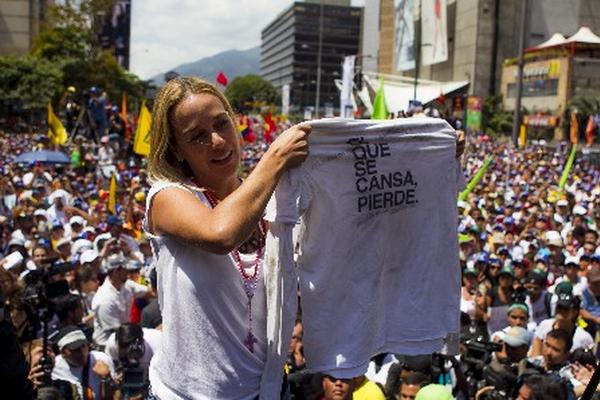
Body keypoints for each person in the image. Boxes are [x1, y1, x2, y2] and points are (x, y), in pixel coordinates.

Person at [144, 76, 311, 399]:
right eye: (198, 137)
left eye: (222, 124)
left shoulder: (271, 201)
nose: (218, 141)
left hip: (265, 391)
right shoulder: (166, 197)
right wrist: (275, 157)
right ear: (177, 150)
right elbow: (221, 234)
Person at [91, 254, 150, 348]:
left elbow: (149, 292)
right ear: (116, 271)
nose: (129, 273)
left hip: (126, 335)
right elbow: (118, 332)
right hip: (109, 345)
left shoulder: (126, 285)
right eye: (126, 270)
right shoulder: (105, 300)